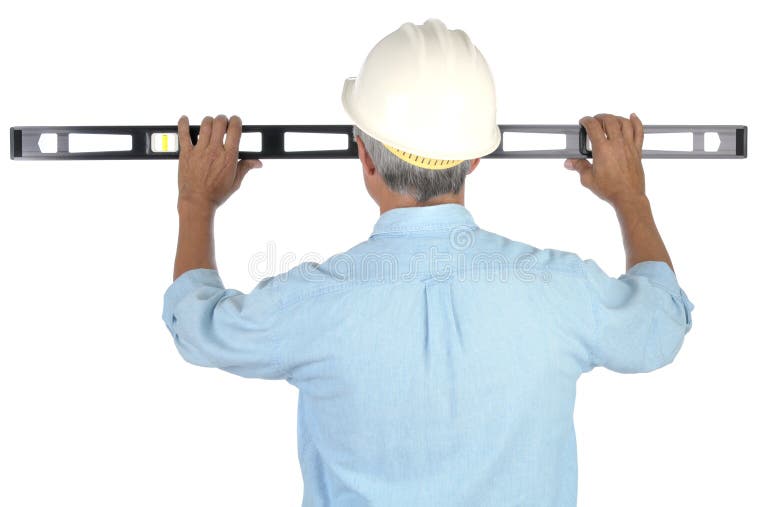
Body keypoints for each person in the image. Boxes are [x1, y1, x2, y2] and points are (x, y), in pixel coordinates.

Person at [162, 18, 694, 507]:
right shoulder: (561, 290)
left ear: (364, 156)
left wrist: (196, 202)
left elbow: (198, 326)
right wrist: (631, 198)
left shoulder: (308, 304)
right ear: (476, 158)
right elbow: (661, 323)